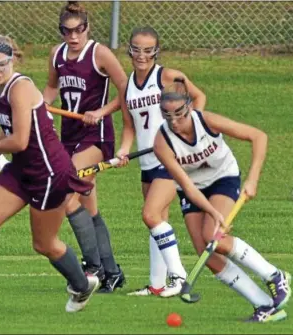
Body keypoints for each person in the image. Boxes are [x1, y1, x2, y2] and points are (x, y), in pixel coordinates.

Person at [0, 27, 100, 315]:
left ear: (13, 60)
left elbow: (20, 140)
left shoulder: (21, 88)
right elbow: (8, 136)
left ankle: (82, 284)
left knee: (44, 244)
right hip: (21, 170)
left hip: (49, 175)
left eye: (2, 63)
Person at [154, 79, 292, 322]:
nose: (174, 122)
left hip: (223, 178)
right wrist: (215, 213)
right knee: (204, 250)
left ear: (188, 107)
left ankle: (274, 275)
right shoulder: (162, 143)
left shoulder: (206, 121)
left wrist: (253, 179)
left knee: (214, 237)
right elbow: (186, 186)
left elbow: (258, 136)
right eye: (168, 117)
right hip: (193, 189)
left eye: (179, 115)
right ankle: (264, 305)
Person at [42, 1, 127, 293]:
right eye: (67, 31)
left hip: (96, 137)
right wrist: (42, 104)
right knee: (88, 208)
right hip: (69, 136)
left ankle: (92, 268)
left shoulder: (99, 53)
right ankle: (112, 272)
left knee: (67, 197)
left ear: (87, 28)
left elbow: (127, 89)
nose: (73, 36)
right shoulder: (57, 54)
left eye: (79, 30)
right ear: (61, 31)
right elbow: (52, 88)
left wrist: (102, 112)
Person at [116, 26, 206, 297]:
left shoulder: (167, 76)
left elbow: (199, 97)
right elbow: (129, 125)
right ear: (129, 49)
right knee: (157, 219)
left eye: (148, 50)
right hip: (146, 162)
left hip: (169, 159)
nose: (141, 55)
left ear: (156, 51)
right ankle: (156, 284)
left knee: (151, 214)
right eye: (136, 49)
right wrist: (123, 150)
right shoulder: (127, 85)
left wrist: (188, 127)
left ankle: (178, 277)